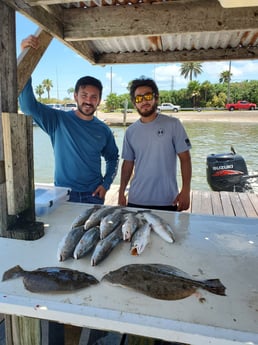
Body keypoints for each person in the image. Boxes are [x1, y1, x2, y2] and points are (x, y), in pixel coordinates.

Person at [19, 35, 119, 204]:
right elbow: (28, 106)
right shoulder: (57, 120)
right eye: (84, 95)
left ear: (99, 100)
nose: (88, 100)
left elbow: (113, 157)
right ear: (75, 96)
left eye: (94, 97)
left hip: (93, 195)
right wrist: (25, 57)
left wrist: (106, 184)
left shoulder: (103, 129)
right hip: (63, 194)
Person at [118, 77, 192, 211]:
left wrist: (186, 190)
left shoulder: (173, 124)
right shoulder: (130, 131)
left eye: (147, 96)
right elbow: (128, 163)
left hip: (167, 200)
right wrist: (121, 192)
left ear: (156, 98)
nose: (144, 101)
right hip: (136, 199)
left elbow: (185, 159)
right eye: (139, 99)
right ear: (134, 104)